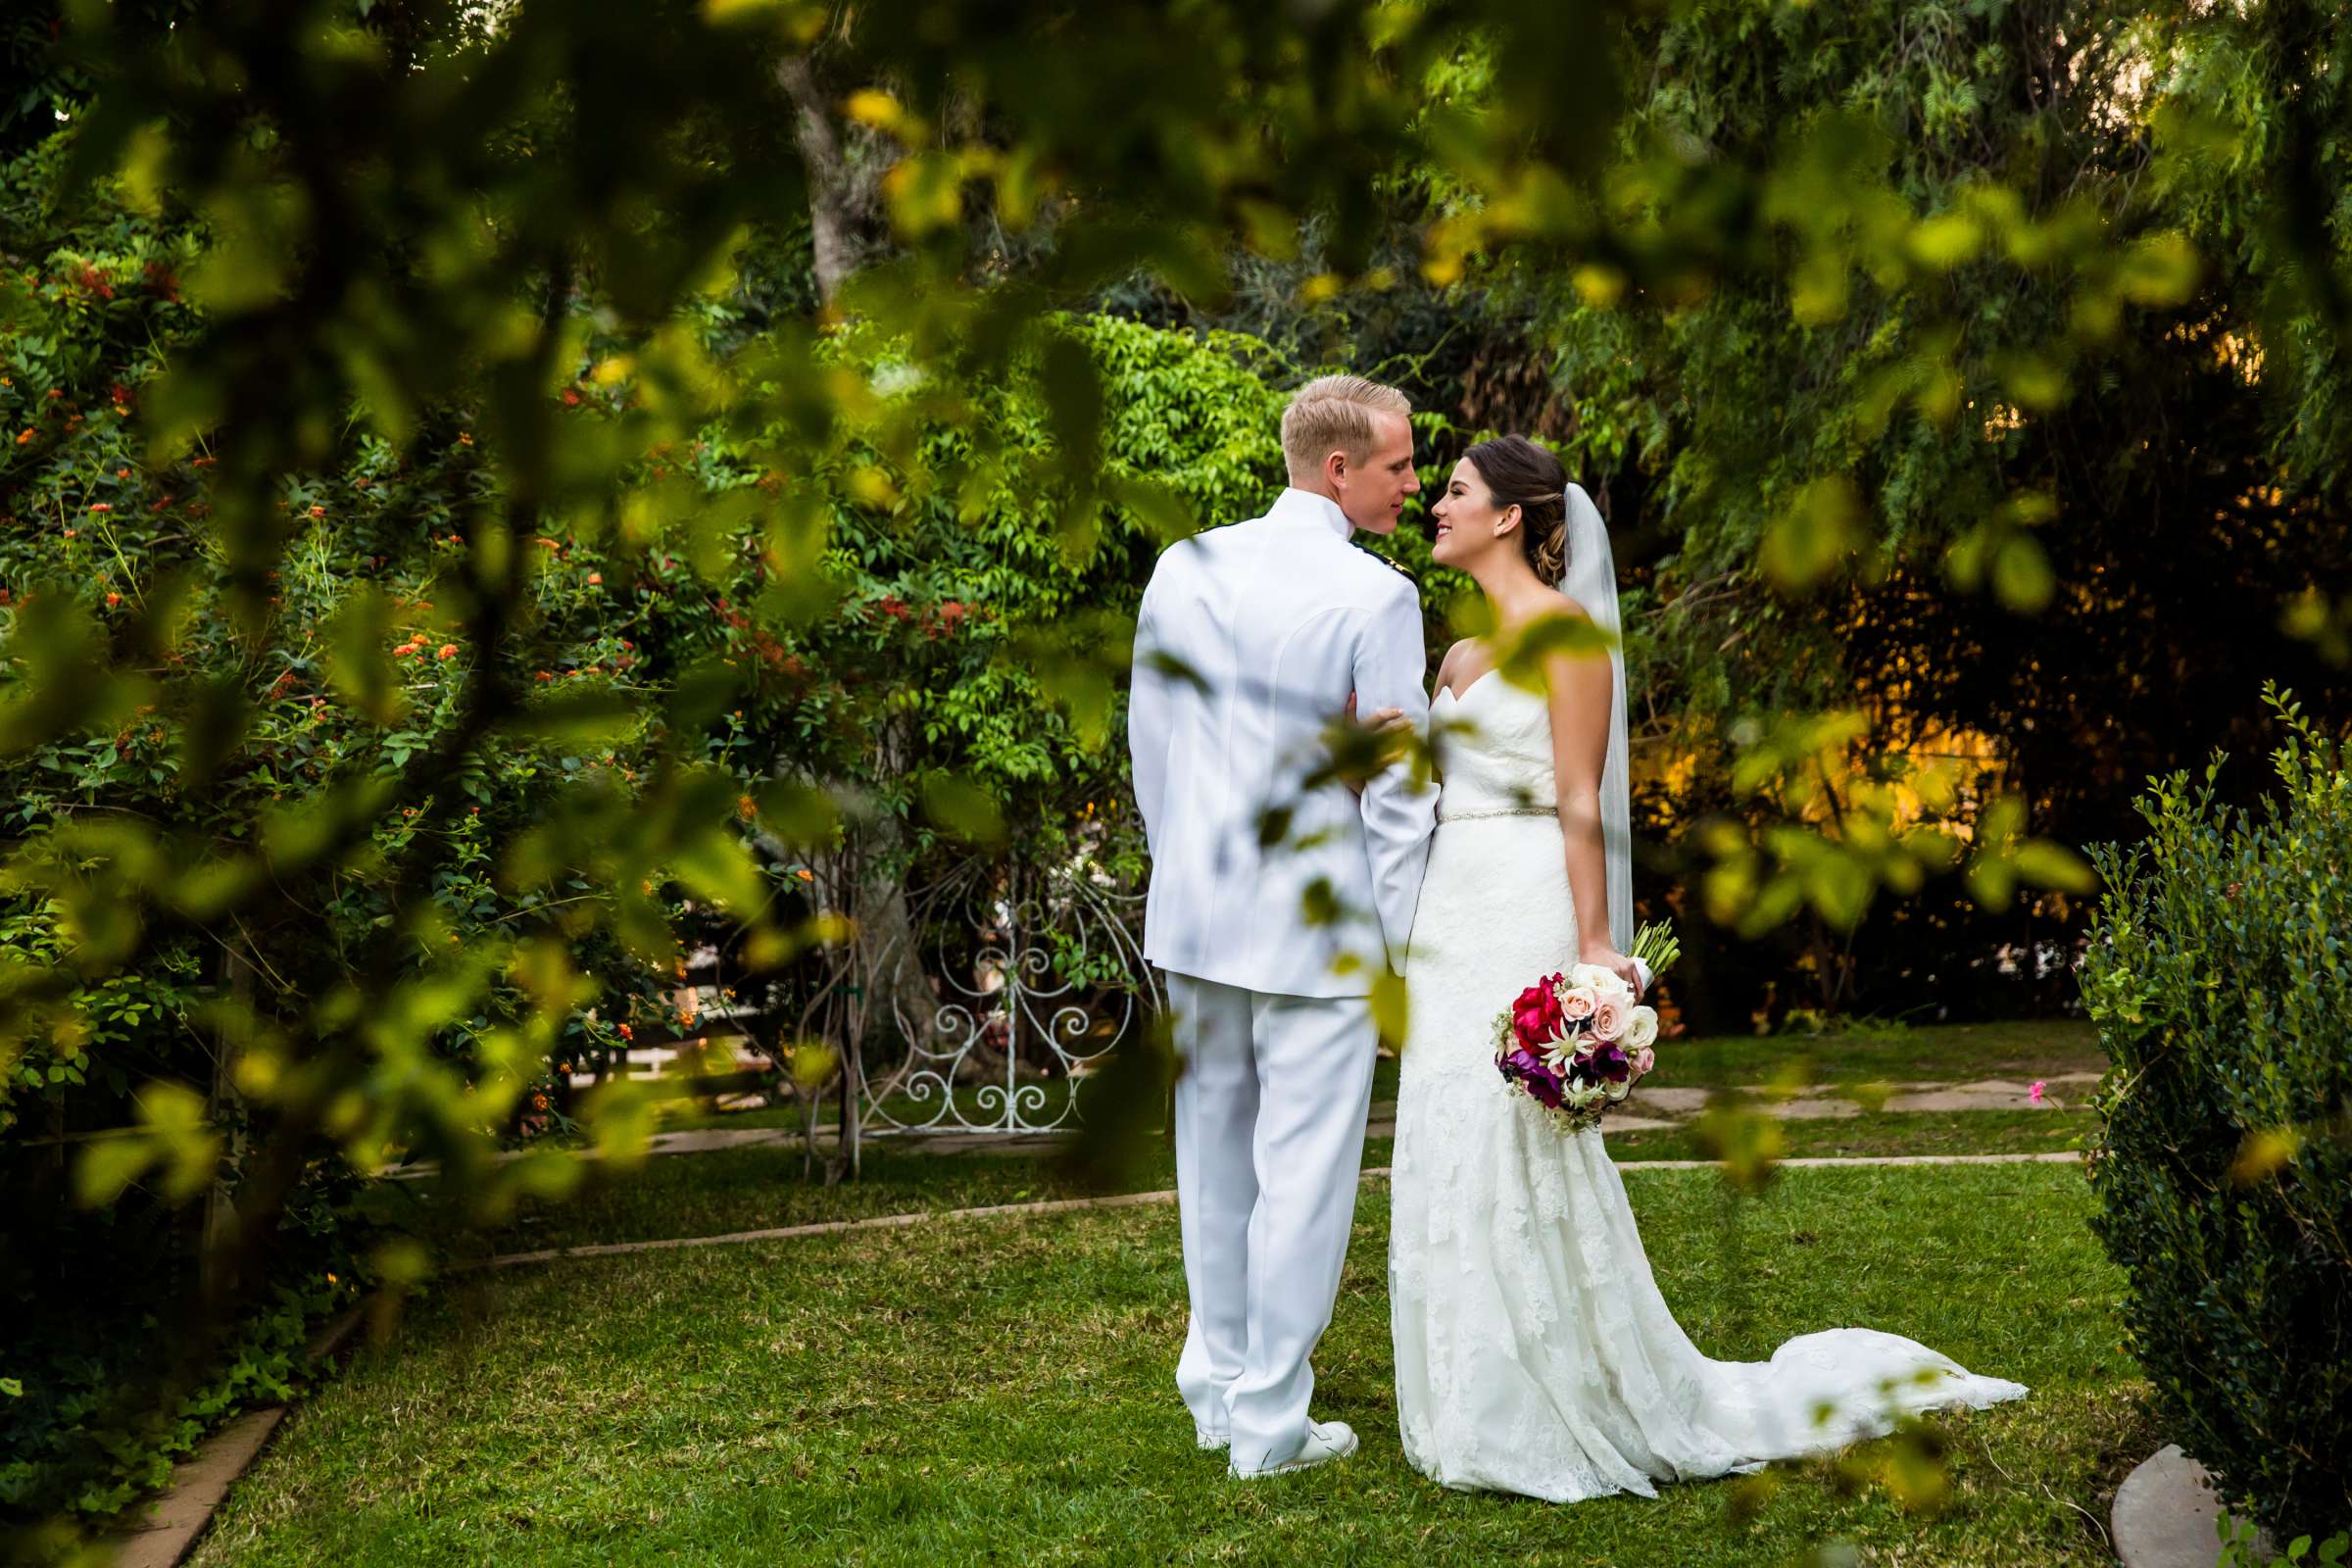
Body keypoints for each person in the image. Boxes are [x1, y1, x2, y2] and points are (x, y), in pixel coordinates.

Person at [1385, 434, 2027, 1501]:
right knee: (1446, 1128)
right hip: (1452, 904)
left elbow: (1584, 800)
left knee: (1517, 1134)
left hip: (1531, 887)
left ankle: (1565, 1394)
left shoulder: (1573, 640)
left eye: (1452, 491)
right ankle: (1463, 1395)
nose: (1435, 505)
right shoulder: (1454, 660)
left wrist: (1596, 953)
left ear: (1510, 516)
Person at [1126, 373, 1436, 1478]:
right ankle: (1267, 1425)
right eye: (1398, 465)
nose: (1414, 482)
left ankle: (1217, 1387)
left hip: (1196, 915)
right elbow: (1400, 799)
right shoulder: (1378, 597)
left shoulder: (1185, 565)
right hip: (1322, 931)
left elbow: (1151, 745)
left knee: (1211, 1159)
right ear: (1339, 469)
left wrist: (1183, 873)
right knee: (1302, 1170)